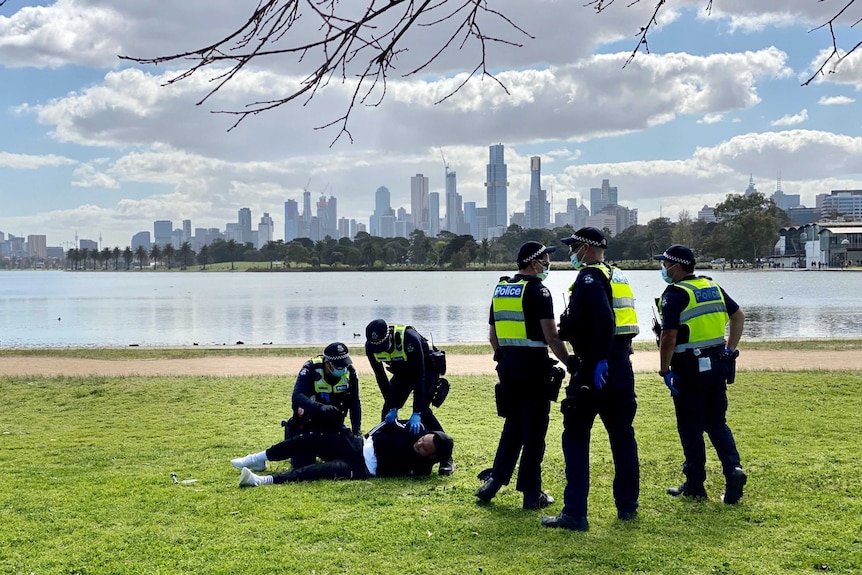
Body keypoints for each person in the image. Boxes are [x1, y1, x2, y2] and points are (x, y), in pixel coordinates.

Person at [542, 227, 640, 531]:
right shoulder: (617, 275)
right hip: (621, 365)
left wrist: (596, 361)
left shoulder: (588, 277)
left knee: (575, 437)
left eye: (573, 247)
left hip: (595, 367)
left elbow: (603, 319)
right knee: (623, 437)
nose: (571, 253)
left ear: (586, 247)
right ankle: (627, 506)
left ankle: (574, 513)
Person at [477, 240, 577, 510]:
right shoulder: (539, 292)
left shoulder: (501, 289)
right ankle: (532, 495)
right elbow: (552, 337)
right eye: (545, 259)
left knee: (513, 425)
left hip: (508, 365)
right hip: (533, 366)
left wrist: (503, 358)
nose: (548, 263)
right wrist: (570, 362)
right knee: (534, 431)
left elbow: (493, 335)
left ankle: (494, 482)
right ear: (534, 263)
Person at [653, 244, 747, 504]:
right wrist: (729, 350)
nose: (663, 269)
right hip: (717, 363)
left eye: (666, 264)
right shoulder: (711, 285)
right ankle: (733, 470)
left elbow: (669, 336)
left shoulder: (675, 293)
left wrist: (664, 370)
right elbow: (738, 316)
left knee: (690, 426)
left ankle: (695, 483)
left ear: (677, 266)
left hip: (689, 367)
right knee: (716, 422)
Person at [230, 421, 454, 487]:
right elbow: (384, 424)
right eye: (423, 439)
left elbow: (440, 468)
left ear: (431, 457)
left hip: (360, 469)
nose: (420, 443)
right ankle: (257, 459)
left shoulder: (422, 470)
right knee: (306, 440)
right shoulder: (410, 431)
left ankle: (261, 481)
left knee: (314, 473)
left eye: (425, 447)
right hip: (356, 445)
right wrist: (365, 436)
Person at [365, 319, 454, 475]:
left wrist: (416, 412)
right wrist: (392, 406)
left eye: (383, 346)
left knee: (424, 410)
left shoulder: (409, 338)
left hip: (426, 370)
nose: (380, 349)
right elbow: (381, 377)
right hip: (403, 372)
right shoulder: (370, 347)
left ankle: (446, 457)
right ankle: (384, 445)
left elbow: (420, 376)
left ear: (389, 336)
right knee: (387, 409)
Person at [282, 342, 361, 468]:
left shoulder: (350, 372)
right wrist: (320, 407)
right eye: (339, 366)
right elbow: (297, 397)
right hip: (309, 424)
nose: (343, 368)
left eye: (344, 365)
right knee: (302, 464)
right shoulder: (311, 368)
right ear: (327, 363)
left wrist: (356, 431)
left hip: (334, 425)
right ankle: (292, 433)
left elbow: (355, 403)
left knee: (350, 458)